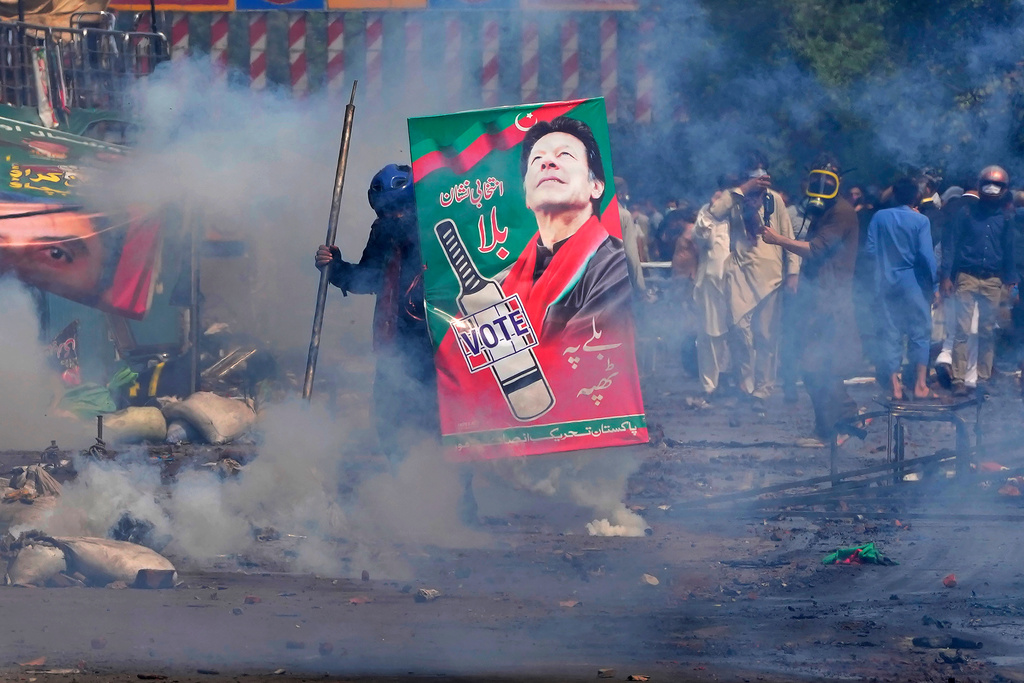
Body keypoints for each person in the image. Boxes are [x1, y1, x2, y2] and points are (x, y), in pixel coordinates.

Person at [315, 163, 438, 458]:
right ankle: (405, 492)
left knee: (438, 430)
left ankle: (457, 499)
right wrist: (333, 266)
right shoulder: (383, 235)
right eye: (386, 211)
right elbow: (367, 279)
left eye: (400, 209)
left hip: (436, 348)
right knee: (391, 427)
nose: (394, 217)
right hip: (393, 349)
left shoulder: (435, 233)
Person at [500, 116, 631, 341]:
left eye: (565, 155)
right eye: (537, 159)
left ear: (596, 186)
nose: (547, 163)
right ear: (527, 198)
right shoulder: (502, 282)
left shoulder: (612, 266)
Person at [761, 156, 861, 443]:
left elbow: (816, 250)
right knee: (812, 365)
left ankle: (842, 425)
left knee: (824, 366)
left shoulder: (841, 212)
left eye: (829, 179)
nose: (821, 185)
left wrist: (778, 239)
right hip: (817, 298)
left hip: (831, 300)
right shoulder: (824, 211)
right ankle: (827, 429)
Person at [709, 152, 799, 406]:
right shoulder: (735, 199)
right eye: (753, 173)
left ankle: (762, 388)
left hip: (772, 278)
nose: (759, 177)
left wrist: (792, 272)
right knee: (739, 330)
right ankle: (744, 382)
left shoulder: (775, 200)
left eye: (762, 171)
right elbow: (716, 211)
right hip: (739, 274)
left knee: (766, 336)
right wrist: (743, 189)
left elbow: (787, 234)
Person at [939, 165, 1019, 396]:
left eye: (998, 185)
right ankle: (959, 380)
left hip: (993, 280)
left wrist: (1012, 281)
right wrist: (946, 276)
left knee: (986, 331)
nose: (992, 189)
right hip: (967, 276)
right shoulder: (965, 213)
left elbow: (1009, 251)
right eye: (988, 184)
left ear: (1005, 188)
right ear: (980, 185)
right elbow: (951, 245)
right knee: (961, 330)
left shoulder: (1005, 218)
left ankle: (983, 379)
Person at [864, 176, 938, 400]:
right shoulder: (920, 221)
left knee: (891, 333)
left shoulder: (879, 217)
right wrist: (934, 284)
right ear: (916, 197)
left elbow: (869, 251)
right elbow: (927, 256)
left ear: (894, 195)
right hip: (913, 284)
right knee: (920, 333)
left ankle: (895, 387)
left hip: (886, 284)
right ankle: (920, 386)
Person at [692, 178, 733, 398]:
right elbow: (700, 238)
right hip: (710, 283)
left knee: (735, 334)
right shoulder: (706, 214)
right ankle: (710, 385)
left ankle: (729, 380)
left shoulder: (738, 215)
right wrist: (711, 211)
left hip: (736, 282)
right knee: (709, 334)